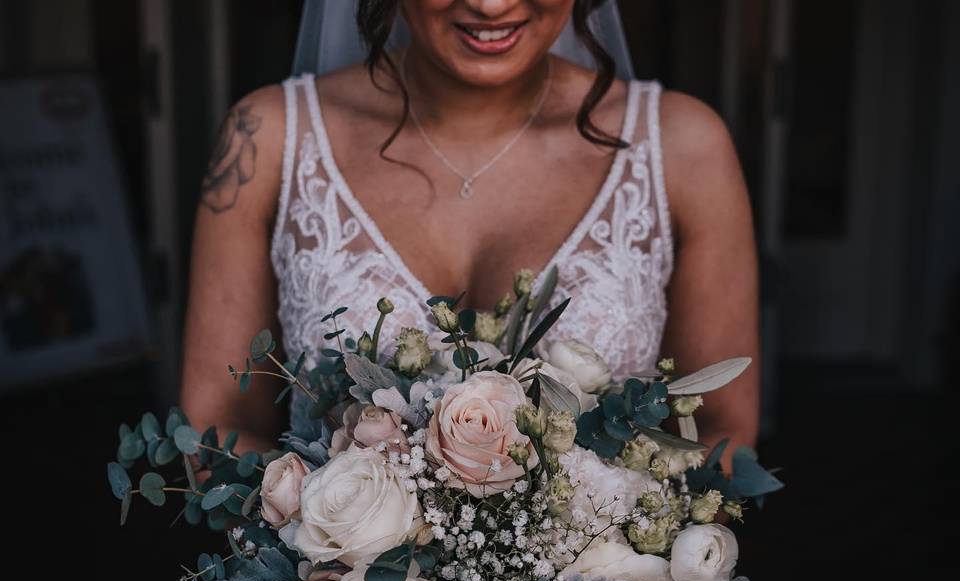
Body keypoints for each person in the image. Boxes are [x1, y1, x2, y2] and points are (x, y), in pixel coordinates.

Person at [180, 0, 759, 469]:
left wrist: (586, 543)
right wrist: (362, 540)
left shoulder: (685, 146)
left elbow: (723, 428)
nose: (490, 4)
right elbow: (215, 430)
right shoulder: (266, 140)